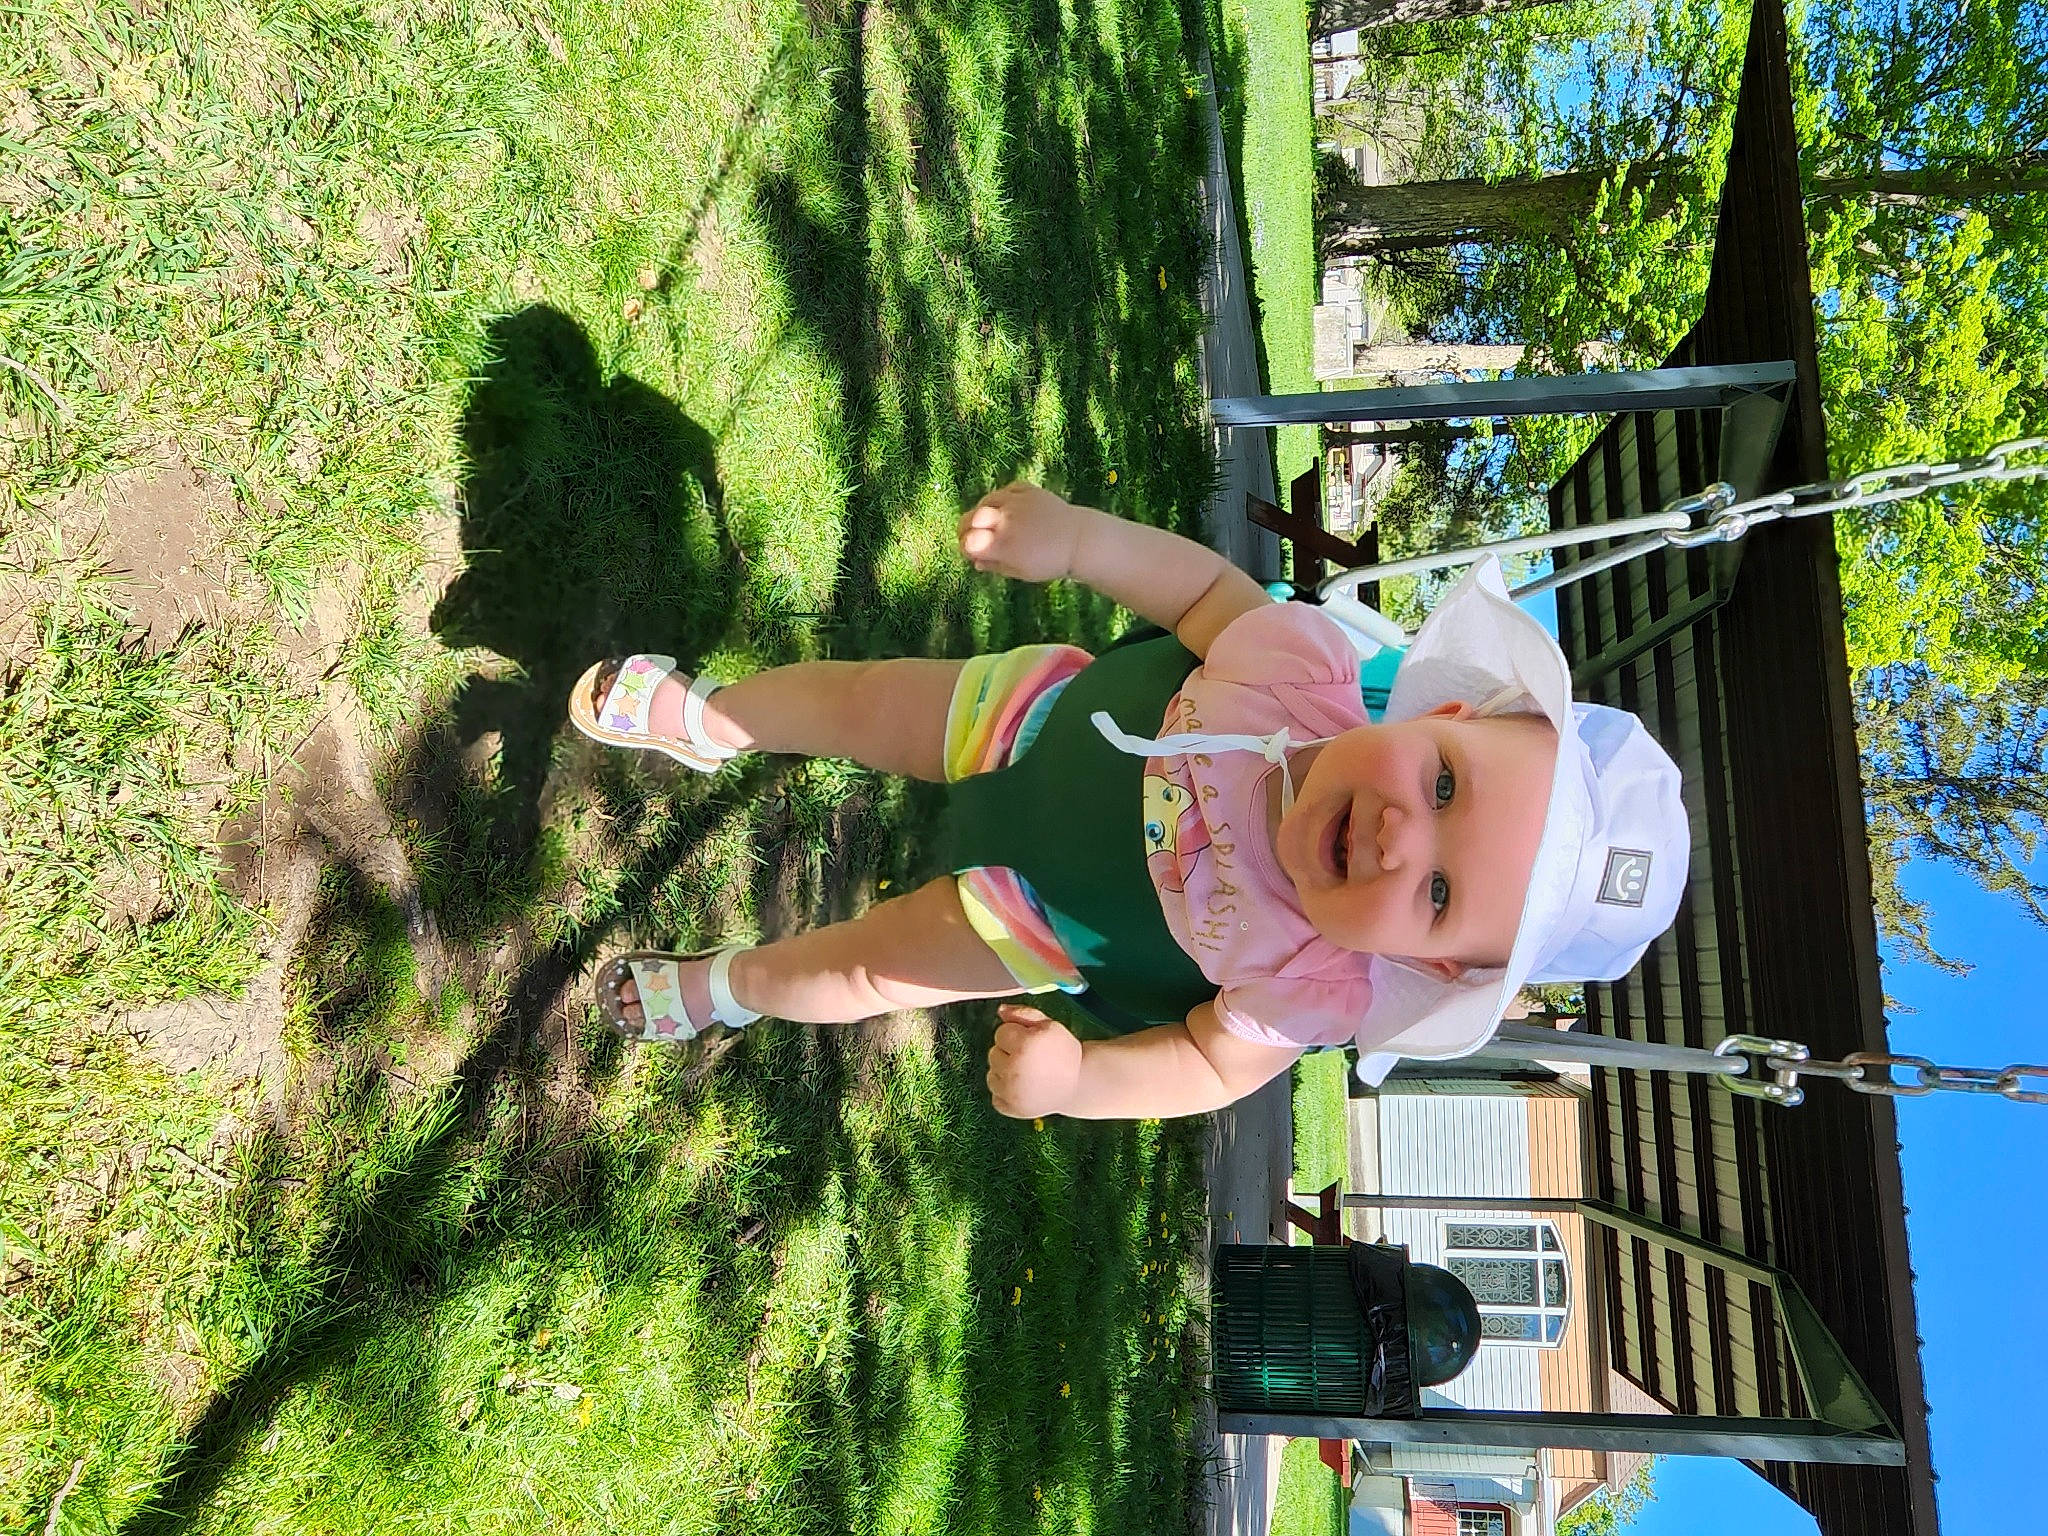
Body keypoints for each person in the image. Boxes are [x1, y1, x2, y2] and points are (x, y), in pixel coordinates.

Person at [568, 482, 1689, 1121]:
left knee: (870, 966)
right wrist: (1076, 542)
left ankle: (729, 987)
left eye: (1438, 893)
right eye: (1442, 788)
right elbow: (1199, 589)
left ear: (1431, 968)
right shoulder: (1303, 674)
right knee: (865, 703)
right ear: (1437, 721)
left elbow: (1203, 1064)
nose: (1400, 836)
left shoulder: (1312, 988)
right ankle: (713, 721)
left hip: (1040, 916)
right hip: (1040, 723)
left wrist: (1077, 1078)